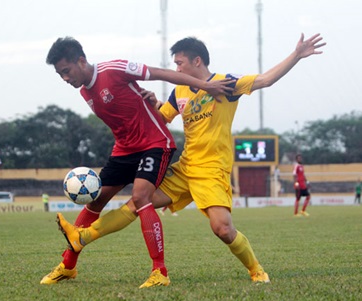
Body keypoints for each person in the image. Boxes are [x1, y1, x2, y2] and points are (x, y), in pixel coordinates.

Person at [56, 33, 326, 284]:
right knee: (139, 202)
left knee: (222, 229)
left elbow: (266, 79)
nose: (177, 69)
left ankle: (257, 270)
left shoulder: (226, 83)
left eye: (180, 63)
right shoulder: (180, 92)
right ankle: (83, 237)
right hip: (185, 167)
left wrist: (296, 55)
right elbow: (162, 118)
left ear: (197, 60)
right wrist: (151, 103)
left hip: (212, 170)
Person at [40, 36, 234, 288]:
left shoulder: (114, 69)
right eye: (60, 75)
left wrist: (204, 86)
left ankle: (159, 272)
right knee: (96, 198)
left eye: (66, 71)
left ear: (81, 60)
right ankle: (68, 266)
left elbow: (162, 73)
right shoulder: (85, 91)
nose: (65, 78)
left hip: (155, 144)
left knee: (142, 198)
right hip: (124, 151)